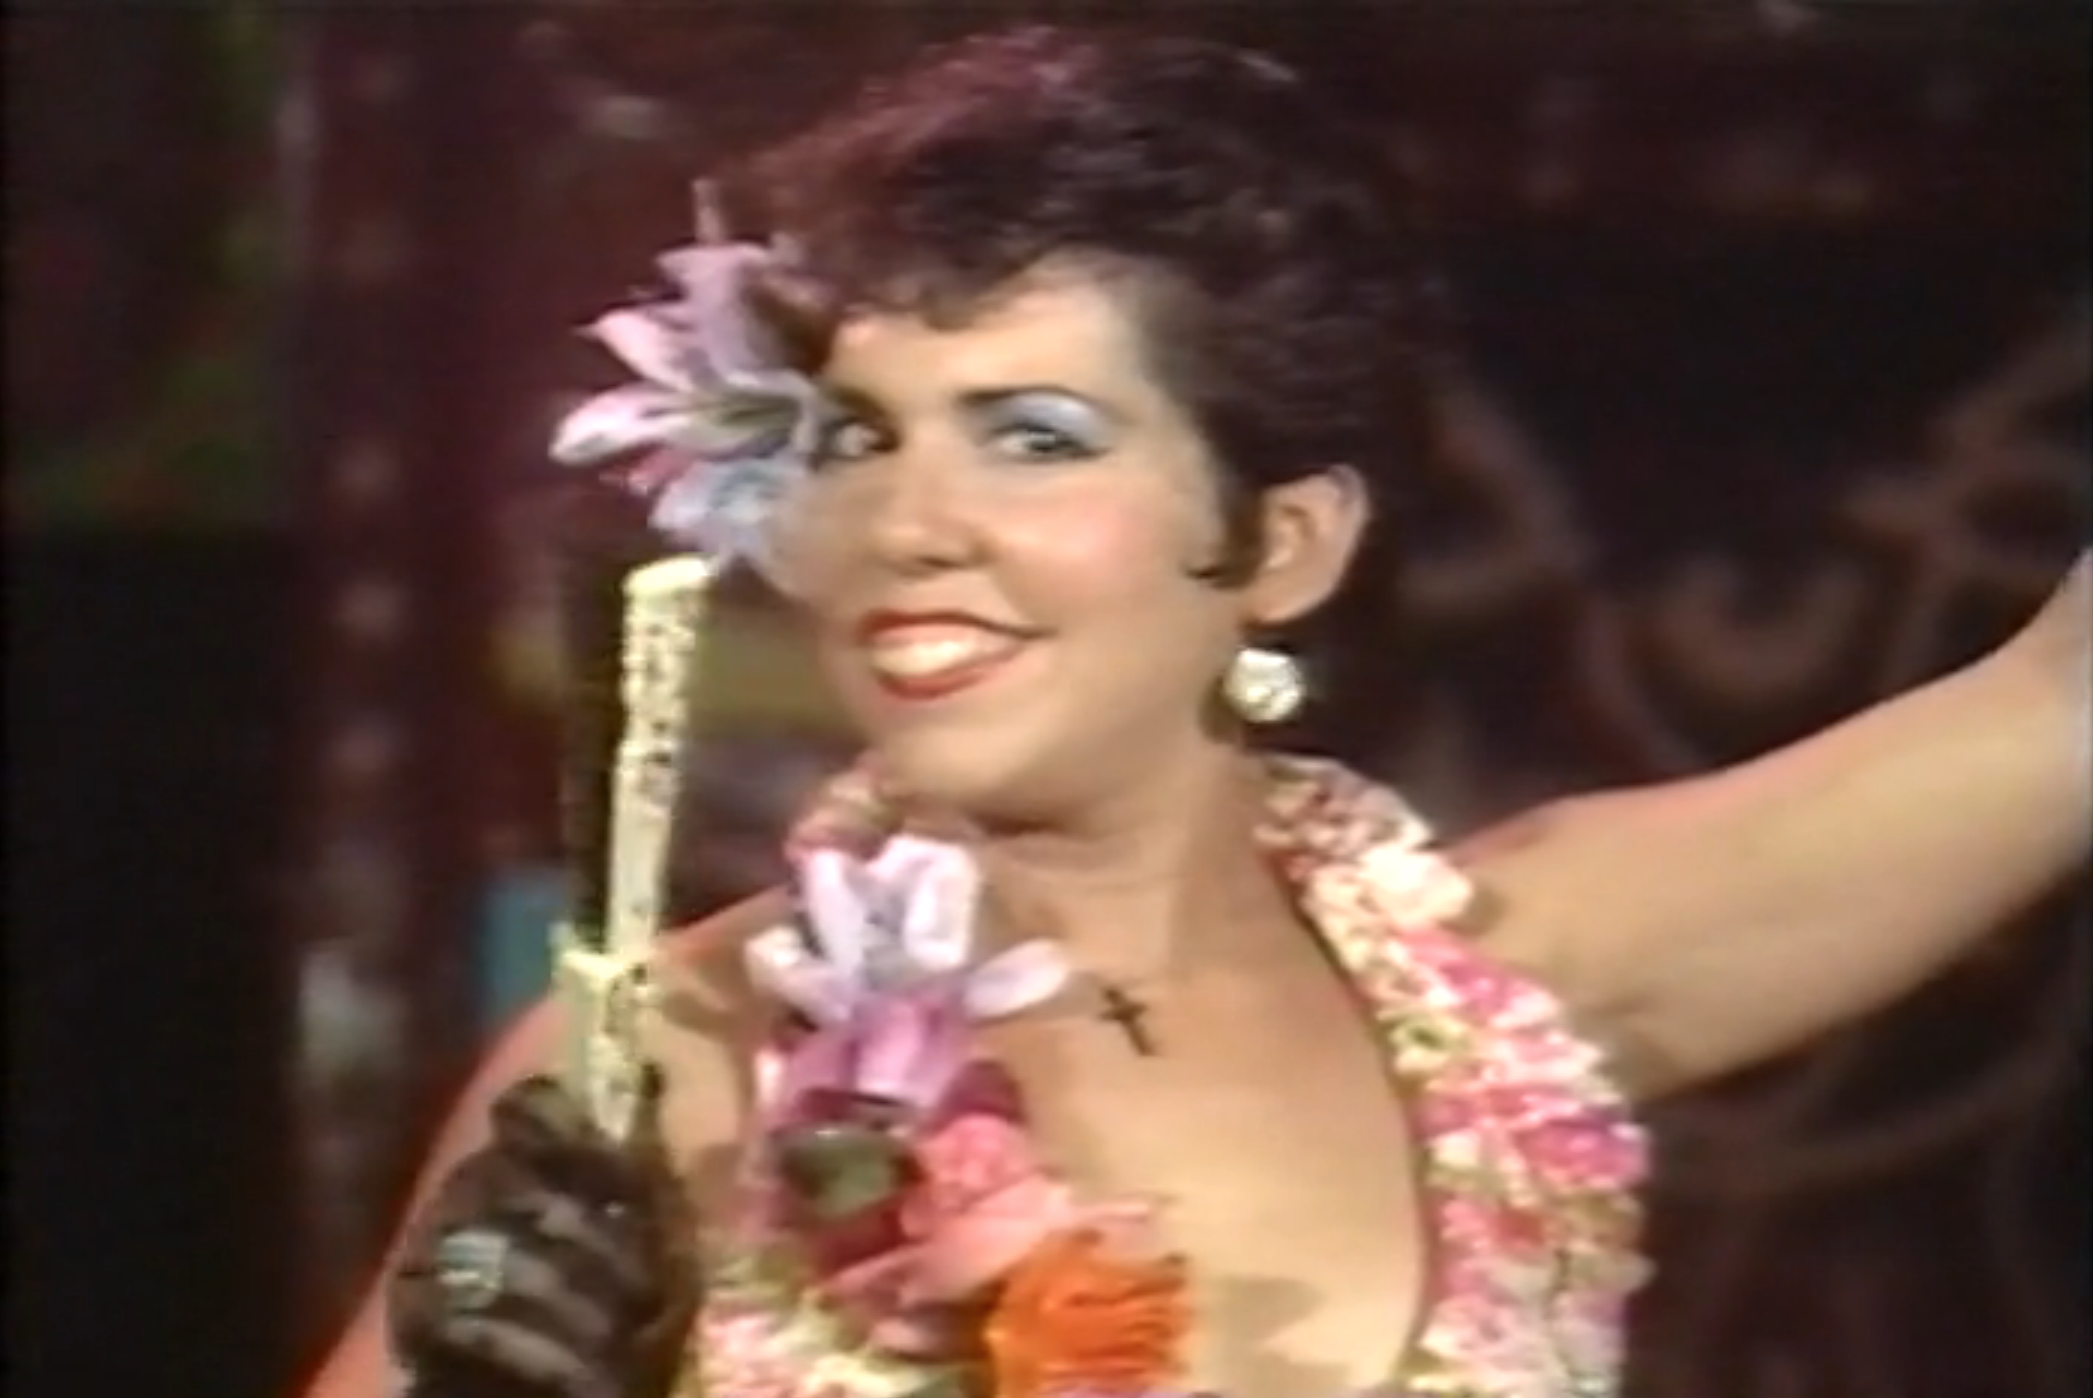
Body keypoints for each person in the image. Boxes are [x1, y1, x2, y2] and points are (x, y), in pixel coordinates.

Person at [297, 25, 2090, 1398]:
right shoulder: (662, 1062)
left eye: (1034, 438)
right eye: (859, 437)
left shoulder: (1508, 993)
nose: (909, 523)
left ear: (1280, 543)